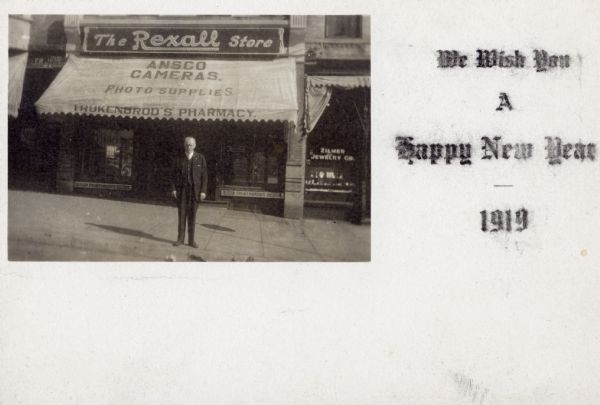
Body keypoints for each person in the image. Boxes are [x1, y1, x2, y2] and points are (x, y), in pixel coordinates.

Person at [171, 136, 207, 248]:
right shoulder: (178, 158)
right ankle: (180, 239)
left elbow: (204, 176)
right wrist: (173, 189)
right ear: (184, 145)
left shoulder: (200, 158)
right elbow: (172, 175)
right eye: (187, 144)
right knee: (181, 215)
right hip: (182, 191)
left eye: (191, 145)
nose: (189, 146)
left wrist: (203, 191)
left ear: (195, 146)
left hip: (195, 192)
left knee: (192, 216)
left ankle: (191, 241)